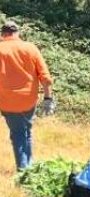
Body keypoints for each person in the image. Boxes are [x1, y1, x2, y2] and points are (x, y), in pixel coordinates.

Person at [0, 20, 55, 171]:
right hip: (29, 100)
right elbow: (45, 76)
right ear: (17, 33)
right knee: (27, 131)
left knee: (18, 133)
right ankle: (29, 167)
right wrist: (48, 99)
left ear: (3, 34)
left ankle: (23, 170)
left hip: (7, 102)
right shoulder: (30, 48)